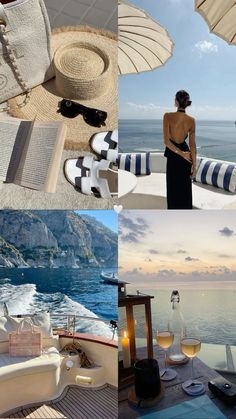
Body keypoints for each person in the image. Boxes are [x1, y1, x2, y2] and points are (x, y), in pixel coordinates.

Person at [163, 90, 196, 209]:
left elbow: (166, 142)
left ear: (177, 102)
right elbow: (192, 145)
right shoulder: (191, 120)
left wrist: (181, 154)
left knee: (173, 192)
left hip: (174, 156)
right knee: (185, 192)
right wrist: (195, 167)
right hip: (186, 159)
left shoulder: (167, 116)